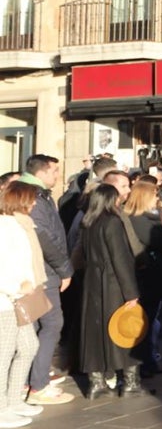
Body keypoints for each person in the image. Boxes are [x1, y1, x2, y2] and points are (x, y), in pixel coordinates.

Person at [17, 155, 74, 407]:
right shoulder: (34, 196)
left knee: (42, 326)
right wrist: (64, 268)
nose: (57, 176)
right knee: (51, 323)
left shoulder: (38, 194)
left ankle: (33, 379)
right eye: (54, 171)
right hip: (43, 272)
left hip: (45, 271)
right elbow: (45, 237)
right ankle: (37, 384)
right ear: (42, 172)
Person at [78, 183, 142, 399]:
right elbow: (120, 258)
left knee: (94, 332)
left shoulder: (88, 222)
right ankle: (131, 382)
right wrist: (131, 292)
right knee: (124, 330)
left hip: (92, 281)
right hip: (113, 283)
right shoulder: (112, 222)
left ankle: (96, 382)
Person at [0, 181, 45, 427]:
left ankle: (13, 399)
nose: (35, 203)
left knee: (28, 345)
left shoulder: (18, 225)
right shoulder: (5, 227)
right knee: (3, 352)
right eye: (31, 198)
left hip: (18, 297)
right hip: (7, 299)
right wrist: (15, 287)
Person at [125, 178, 162, 377]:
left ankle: (149, 359)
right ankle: (143, 362)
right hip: (147, 275)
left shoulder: (147, 217)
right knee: (145, 319)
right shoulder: (140, 220)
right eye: (154, 195)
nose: (157, 198)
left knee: (152, 319)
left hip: (156, 275)